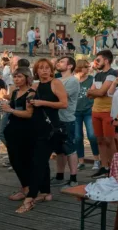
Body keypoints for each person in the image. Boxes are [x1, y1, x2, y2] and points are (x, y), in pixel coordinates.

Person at [21, 58, 68, 213]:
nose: (44, 70)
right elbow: (30, 105)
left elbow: (63, 104)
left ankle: (30, 197)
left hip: (50, 129)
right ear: (36, 71)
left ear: (51, 69)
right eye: (41, 68)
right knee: (39, 160)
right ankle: (46, 192)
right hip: (35, 127)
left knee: (39, 163)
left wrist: (43, 103)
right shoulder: (35, 85)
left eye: (47, 67)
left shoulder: (56, 83)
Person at [1, 68, 36, 202]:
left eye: (19, 77)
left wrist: (10, 109)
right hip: (13, 128)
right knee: (14, 159)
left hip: (25, 130)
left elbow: (29, 113)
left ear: (27, 78)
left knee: (23, 159)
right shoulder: (15, 92)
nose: (16, 79)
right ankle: (25, 186)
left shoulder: (30, 93)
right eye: (14, 77)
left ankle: (27, 188)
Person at [87, 50, 118, 178]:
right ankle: (104, 167)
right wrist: (97, 92)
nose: (96, 62)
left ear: (106, 60)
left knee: (109, 140)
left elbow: (99, 93)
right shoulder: (97, 75)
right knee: (99, 140)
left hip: (108, 112)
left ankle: (114, 167)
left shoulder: (112, 74)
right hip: (96, 111)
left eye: (98, 60)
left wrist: (96, 92)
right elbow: (90, 94)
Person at [53, 56, 81, 188]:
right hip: (56, 119)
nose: (59, 63)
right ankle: (59, 176)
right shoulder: (57, 79)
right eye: (58, 61)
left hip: (67, 119)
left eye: (62, 62)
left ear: (70, 66)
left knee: (70, 149)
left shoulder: (73, 81)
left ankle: (74, 178)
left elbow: (60, 95)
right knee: (59, 150)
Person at [74, 59, 100, 170]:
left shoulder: (91, 79)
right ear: (80, 67)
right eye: (86, 66)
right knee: (77, 137)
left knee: (92, 136)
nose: (88, 68)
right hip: (75, 111)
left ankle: (97, 160)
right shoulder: (73, 80)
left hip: (89, 110)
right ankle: (81, 161)